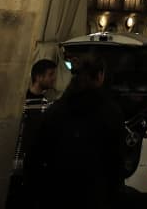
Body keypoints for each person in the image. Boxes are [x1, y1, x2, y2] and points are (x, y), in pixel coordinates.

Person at [22, 53, 128, 204]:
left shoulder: (55, 110)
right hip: (94, 193)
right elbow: (116, 161)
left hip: (58, 192)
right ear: (100, 76)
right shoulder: (111, 113)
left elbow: (36, 154)